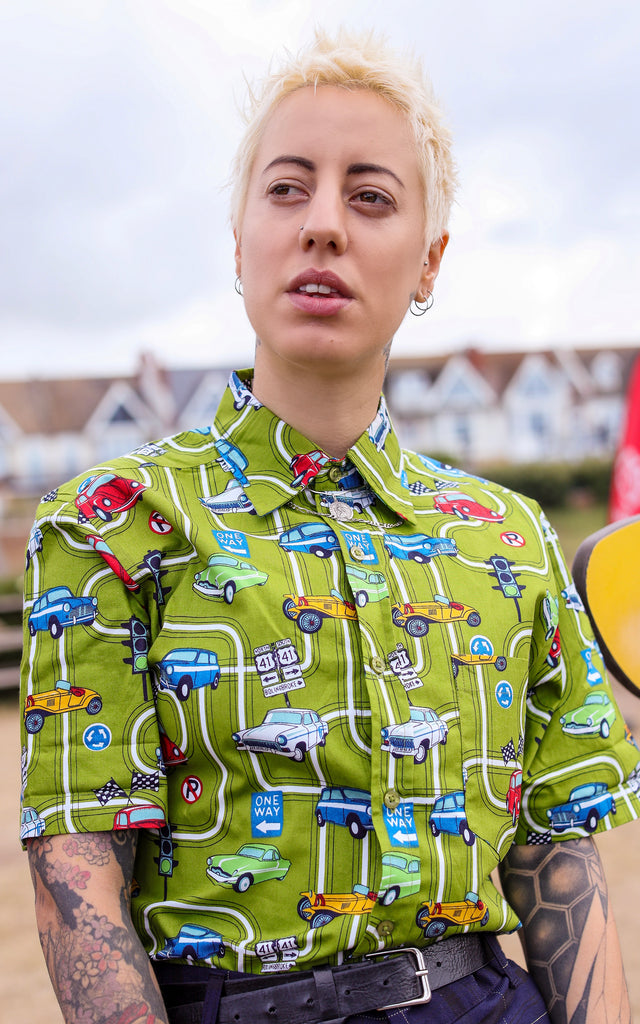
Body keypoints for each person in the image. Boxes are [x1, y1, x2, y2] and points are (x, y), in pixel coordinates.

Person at [20, 29, 638, 1024]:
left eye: (370, 196)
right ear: (237, 242)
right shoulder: (111, 525)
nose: (323, 226)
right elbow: (77, 861)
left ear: (429, 260)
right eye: (287, 188)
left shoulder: (509, 538)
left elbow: (555, 854)